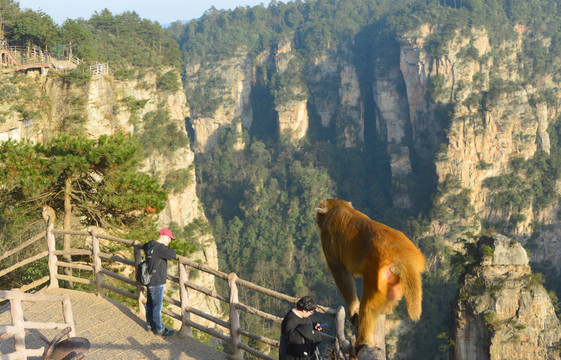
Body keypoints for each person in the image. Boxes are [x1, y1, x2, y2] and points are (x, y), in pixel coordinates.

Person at [143, 228, 177, 336]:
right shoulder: (160, 248)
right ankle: (159, 329)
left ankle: (150, 325)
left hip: (149, 280)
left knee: (149, 304)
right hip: (157, 281)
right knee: (157, 306)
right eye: (168, 238)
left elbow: (143, 245)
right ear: (162, 236)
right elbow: (172, 255)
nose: (169, 241)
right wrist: (172, 250)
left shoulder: (150, 244)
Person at [279, 296, 324, 360]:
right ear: (304, 310)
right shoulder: (290, 320)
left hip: (300, 354)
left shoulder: (304, 316)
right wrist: (309, 332)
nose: (311, 314)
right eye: (311, 312)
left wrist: (313, 326)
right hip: (290, 355)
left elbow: (304, 326)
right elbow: (290, 337)